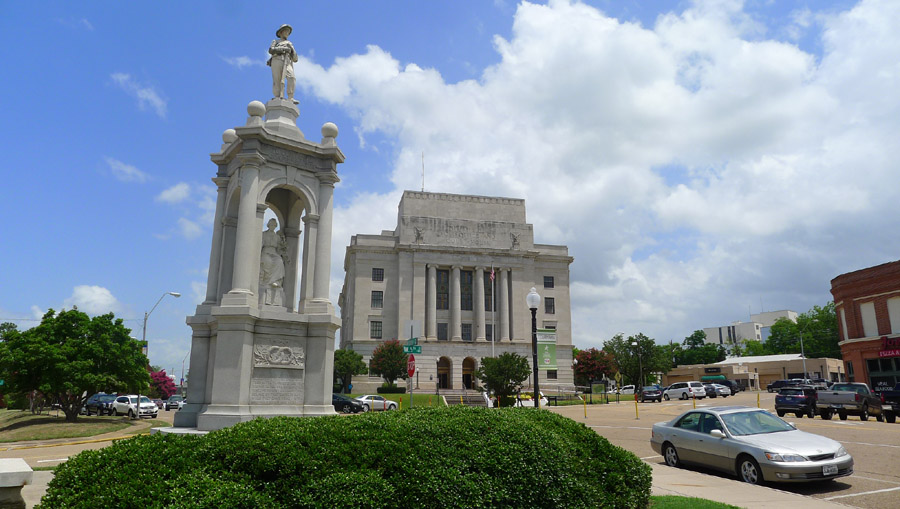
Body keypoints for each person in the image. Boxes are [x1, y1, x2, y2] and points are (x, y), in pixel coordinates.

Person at [268, 24, 299, 104]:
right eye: (286, 31)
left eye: (288, 32)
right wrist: (283, 49)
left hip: (287, 62)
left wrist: (291, 49)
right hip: (277, 60)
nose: (287, 33)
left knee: (292, 77)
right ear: (281, 32)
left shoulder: (290, 43)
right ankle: (277, 96)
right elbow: (271, 50)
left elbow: (295, 59)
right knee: (277, 79)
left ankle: (290, 97)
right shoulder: (276, 41)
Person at [259, 218, 288, 305]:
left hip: (274, 253)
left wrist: (283, 245)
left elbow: (279, 249)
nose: (272, 226)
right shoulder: (263, 234)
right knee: (267, 261)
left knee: (279, 261)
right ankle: (267, 281)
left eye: (274, 225)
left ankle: (275, 281)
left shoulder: (277, 237)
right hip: (265, 252)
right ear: (268, 225)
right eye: (271, 225)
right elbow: (260, 245)